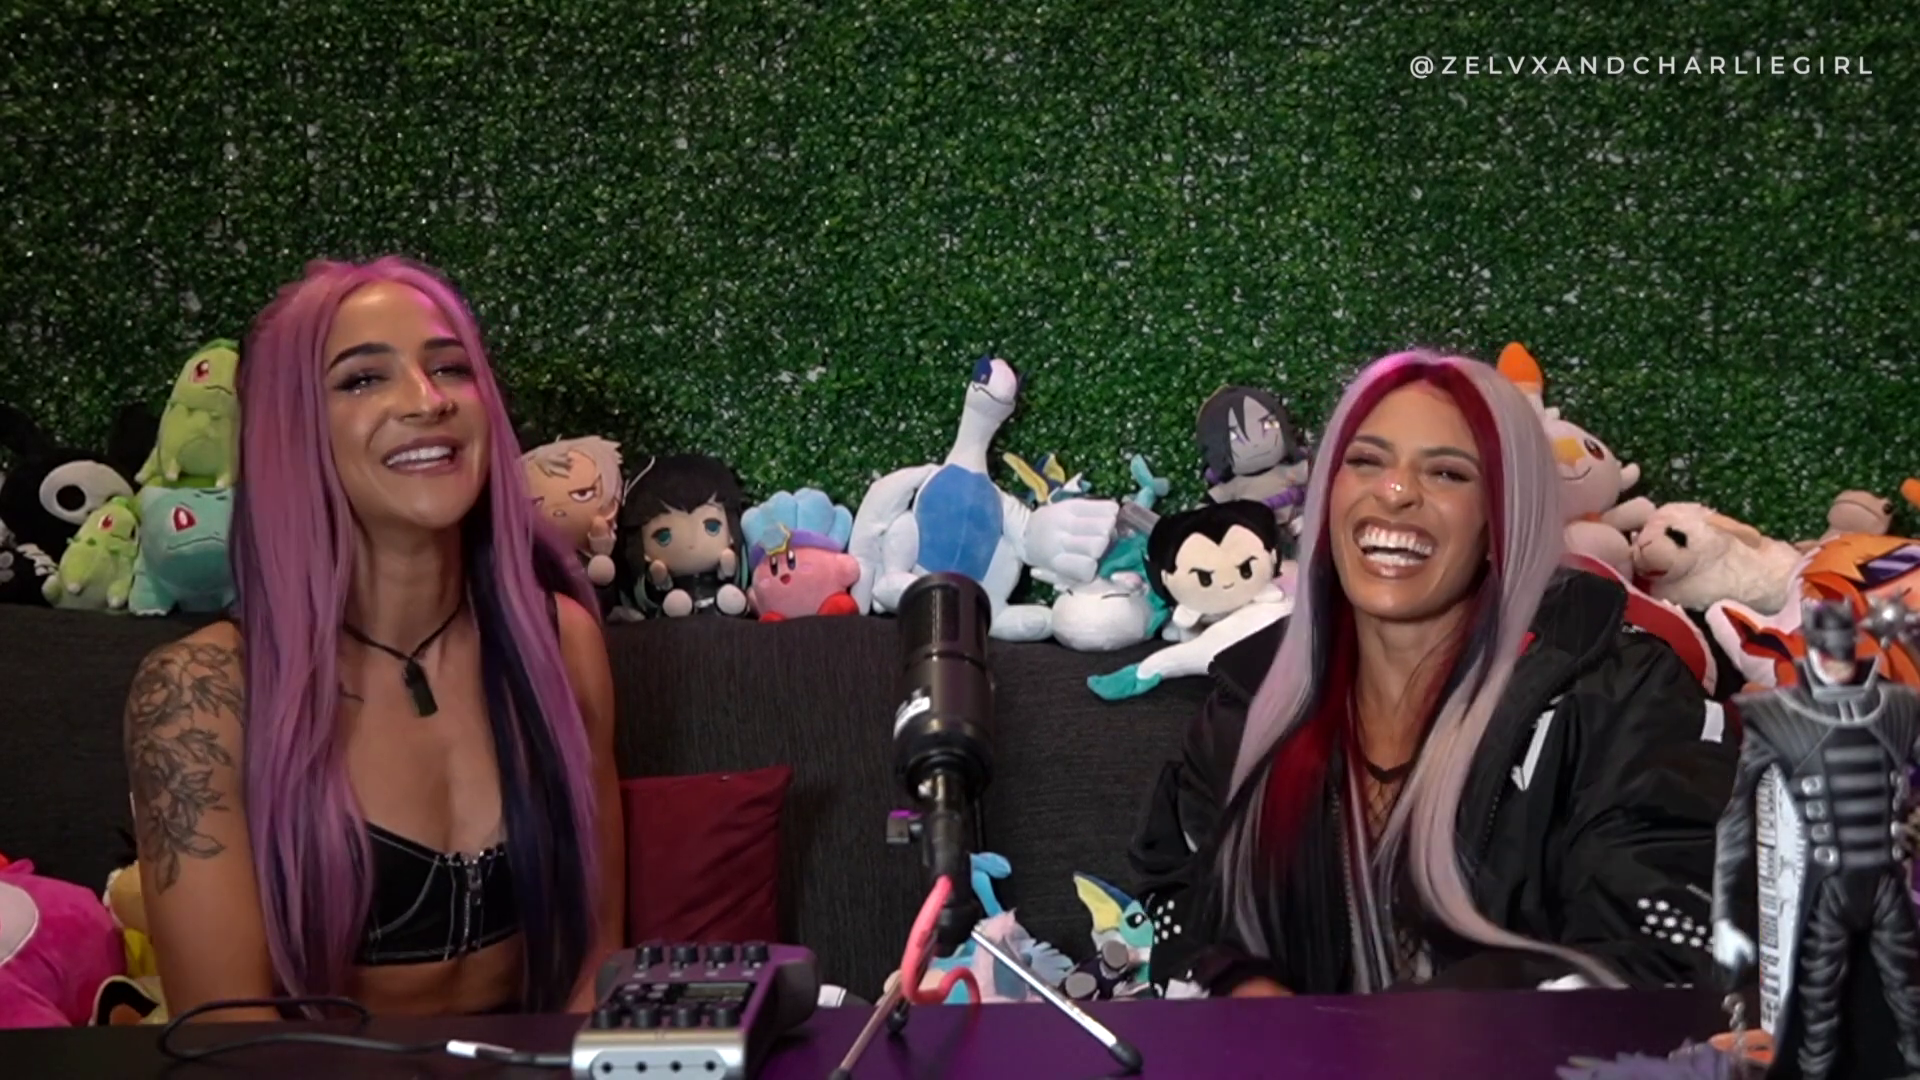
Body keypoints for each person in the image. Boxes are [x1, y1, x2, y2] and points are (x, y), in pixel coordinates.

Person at [1128, 350, 1738, 997]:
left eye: (1447, 472)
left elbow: (1659, 956)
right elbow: (1180, 902)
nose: (1395, 492)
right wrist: (1242, 987)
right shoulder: (1245, 700)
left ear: (1504, 514)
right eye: (1366, 461)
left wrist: (1393, 1036)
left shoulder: (1625, 695)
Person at [121, 257, 626, 1020]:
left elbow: (594, 967)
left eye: (450, 368)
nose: (427, 400)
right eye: (362, 380)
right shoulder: (200, 695)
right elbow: (227, 1037)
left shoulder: (561, 644)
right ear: (293, 429)